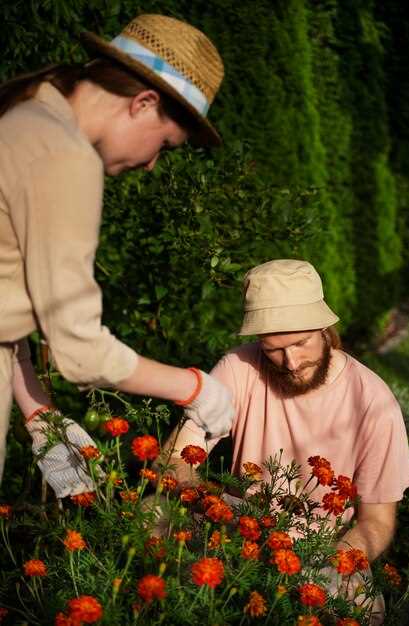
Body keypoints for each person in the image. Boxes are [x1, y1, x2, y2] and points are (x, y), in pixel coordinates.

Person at [0, 13, 234, 494]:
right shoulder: (64, 157)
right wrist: (196, 388)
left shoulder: (28, 120)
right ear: (143, 103)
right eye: (165, 146)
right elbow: (81, 352)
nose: (150, 165)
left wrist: (39, 410)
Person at [163, 259, 409, 565]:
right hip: (233, 534)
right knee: (153, 513)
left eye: (300, 343)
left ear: (325, 328)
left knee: (364, 609)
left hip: (321, 551)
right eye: (273, 350)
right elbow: (172, 458)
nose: (291, 363)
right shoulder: (238, 368)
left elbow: (377, 520)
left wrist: (328, 566)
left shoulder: (373, 402)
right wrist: (212, 506)